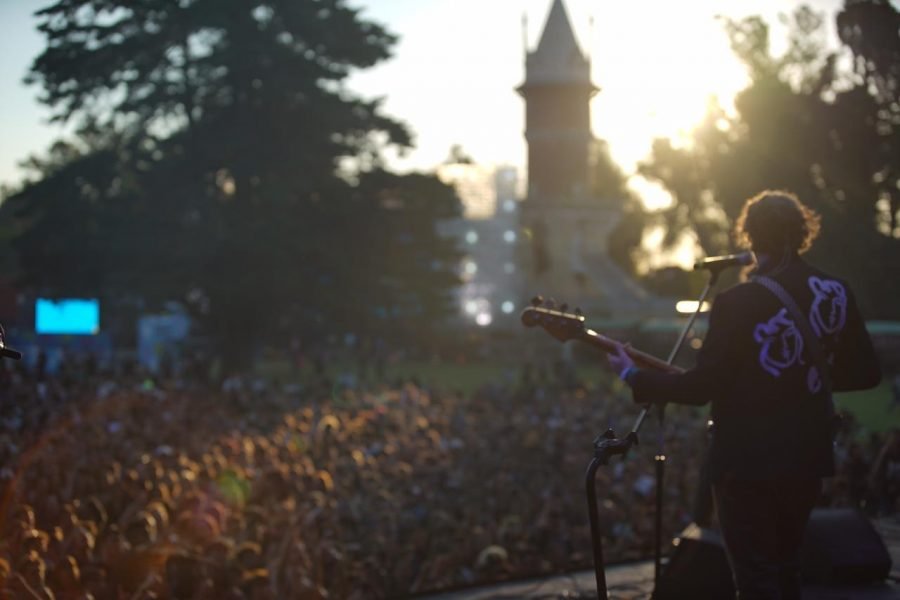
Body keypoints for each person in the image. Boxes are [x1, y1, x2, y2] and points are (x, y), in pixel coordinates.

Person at [608, 190, 881, 600]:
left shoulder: (736, 301)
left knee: (755, 580)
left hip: (746, 463)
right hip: (808, 455)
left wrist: (633, 375)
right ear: (802, 234)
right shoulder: (836, 291)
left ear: (750, 236)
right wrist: (797, 377)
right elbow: (865, 373)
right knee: (788, 569)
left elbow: (702, 388)